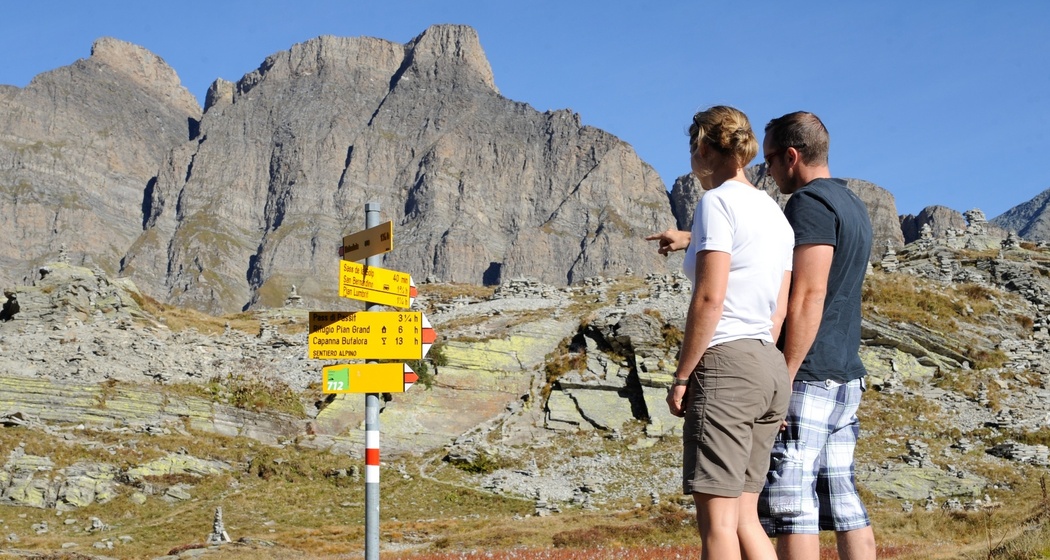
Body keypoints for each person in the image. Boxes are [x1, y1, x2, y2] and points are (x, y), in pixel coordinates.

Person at [652, 105, 794, 560]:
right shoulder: (775, 213)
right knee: (746, 519)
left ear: (703, 148)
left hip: (726, 366)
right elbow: (778, 309)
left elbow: (710, 300)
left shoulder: (715, 203)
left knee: (717, 527)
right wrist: (689, 238)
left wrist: (681, 377)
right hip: (769, 366)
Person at [757, 111, 876, 560]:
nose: (766, 170)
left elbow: (809, 295)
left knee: (792, 502)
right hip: (846, 374)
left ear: (792, 155)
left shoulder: (808, 203)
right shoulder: (851, 204)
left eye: (769, 160)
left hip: (809, 375)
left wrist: (784, 375)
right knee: (844, 500)